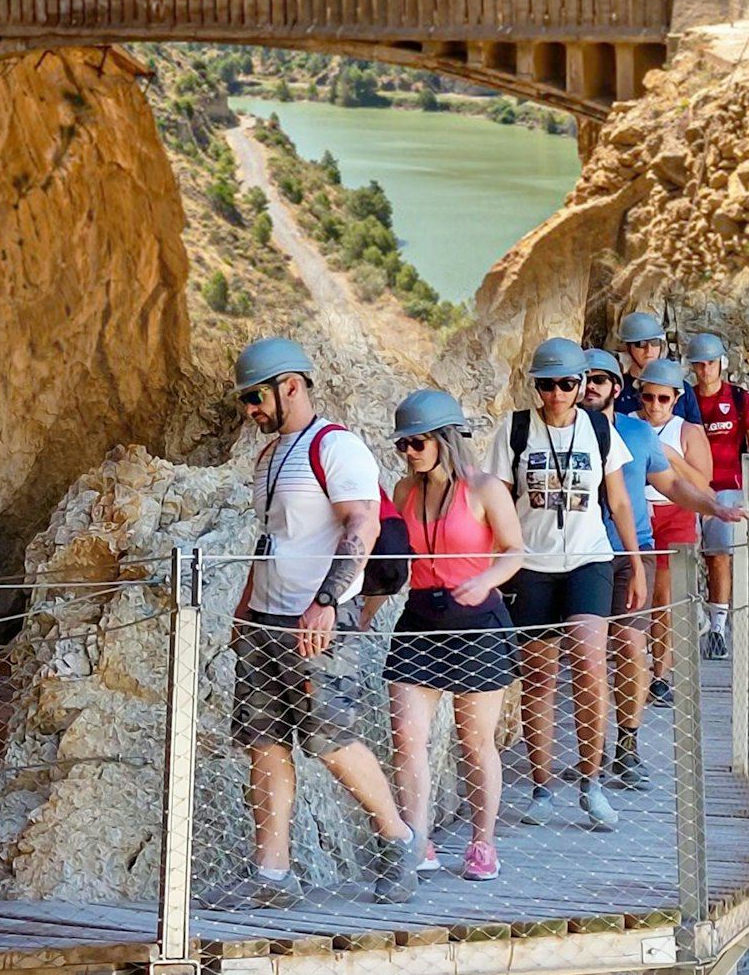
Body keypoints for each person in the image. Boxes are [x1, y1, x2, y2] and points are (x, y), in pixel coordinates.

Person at [208, 337, 418, 909]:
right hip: (267, 617)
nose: (250, 410)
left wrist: (327, 602)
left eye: (256, 397)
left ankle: (399, 841)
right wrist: (246, 606)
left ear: (291, 386)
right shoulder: (268, 456)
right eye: (245, 400)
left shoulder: (337, 446)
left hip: (321, 615)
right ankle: (272, 876)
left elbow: (361, 526)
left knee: (330, 739)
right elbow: (272, 536)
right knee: (264, 741)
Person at [485, 338, 646, 831]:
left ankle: (591, 782)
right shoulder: (513, 430)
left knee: (589, 658)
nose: (556, 393)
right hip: (531, 564)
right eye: (546, 384)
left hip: (589, 559)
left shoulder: (599, 429)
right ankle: (541, 785)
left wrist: (635, 563)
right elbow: (497, 503)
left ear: (580, 386)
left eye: (566, 384)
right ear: (535, 386)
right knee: (538, 676)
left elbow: (618, 502)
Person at [582, 350, 745, 783]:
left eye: (601, 379)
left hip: (631, 549)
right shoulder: (563, 431)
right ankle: (590, 754)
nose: (591, 386)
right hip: (579, 553)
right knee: (589, 654)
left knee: (631, 645)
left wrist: (713, 506)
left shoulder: (638, 434)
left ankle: (627, 743)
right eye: (585, 379)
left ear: (617, 387)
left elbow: (671, 483)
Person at [385, 390, 523, 883]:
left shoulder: (485, 489)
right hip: (420, 618)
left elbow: (514, 550)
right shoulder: (404, 492)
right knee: (406, 737)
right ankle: (417, 841)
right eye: (404, 444)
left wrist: (485, 579)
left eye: (418, 442)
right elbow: (394, 565)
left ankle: (482, 842)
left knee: (474, 740)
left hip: (477, 623)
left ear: (444, 439)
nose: (410, 452)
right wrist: (364, 608)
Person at [686, 332, 749, 659]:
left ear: (721, 363)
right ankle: (693, 615)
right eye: (699, 364)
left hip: (728, 487)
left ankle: (718, 625)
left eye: (710, 363)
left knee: (719, 553)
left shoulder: (738, 398)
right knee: (682, 554)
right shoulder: (684, 400)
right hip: (690, 488)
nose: (705, 369)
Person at [637, 358, 714, 703]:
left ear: (676, 398)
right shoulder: (628, 425)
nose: (654, 406)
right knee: (636, 592)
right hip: (639, 513)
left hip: (676, 512)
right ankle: (637, 667)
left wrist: (670, 457)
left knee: (664, 596)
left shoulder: (687, 432)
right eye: (648, 397)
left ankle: (661, 672)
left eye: (663, 399)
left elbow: (703, 484)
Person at [613, 311, 704, 424]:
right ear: (627, 348)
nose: (649, 350)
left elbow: (696, 433)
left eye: (655, 342)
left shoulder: (682, 389)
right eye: (640, 344)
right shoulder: (617, 389)